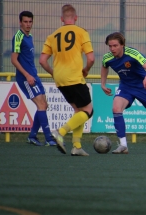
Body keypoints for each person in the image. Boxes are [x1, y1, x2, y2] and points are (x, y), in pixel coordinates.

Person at [39, 4, 95, 156]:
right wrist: (86, 70)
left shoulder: (52, 36)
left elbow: (42, 60)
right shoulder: (81, 32)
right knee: (89, 111)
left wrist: (53, 73)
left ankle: (76, 146)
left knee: (78, 111)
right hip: (74, 77)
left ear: (62, 19)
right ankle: (60, 132)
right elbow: (91, 58)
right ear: (75, 18)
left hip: (60, 78)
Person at [11, 11, 56, 147]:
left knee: (44, 105)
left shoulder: (29, 36)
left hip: (33, 75)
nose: (28, 24)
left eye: (30, 22)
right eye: (25, 22)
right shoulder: (18, 37)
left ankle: (32, 136)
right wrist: (27, 75)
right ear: (20, 22)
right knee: (41, 105)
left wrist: (33, 74)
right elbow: (14, 60)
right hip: (26, 77)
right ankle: (49, 138)